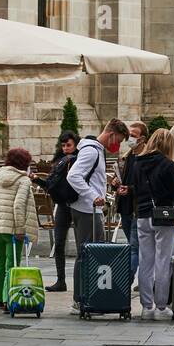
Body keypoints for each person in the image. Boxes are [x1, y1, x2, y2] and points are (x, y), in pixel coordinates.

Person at [66, 118, 130, 314]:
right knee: (88, 254)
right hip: (87, 210)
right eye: (117, 140)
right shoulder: (92, 150)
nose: (117, 145)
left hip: (86, 208)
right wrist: (93, 195)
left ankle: (88, 297)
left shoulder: (94, 150)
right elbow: (73, 176)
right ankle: (81, 299)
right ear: (111, 134)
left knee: (88, 253)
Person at [130, 127, 174, 320]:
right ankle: (161, 306)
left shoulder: (137, 163)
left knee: (146, 260)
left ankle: (146, 306)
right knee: (163, 260)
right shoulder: (168, 165)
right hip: (164, 215)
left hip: (142, 215)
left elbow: (135, 189)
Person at [0, 148, 40, 311]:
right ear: (25, 163)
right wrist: (20, 230)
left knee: (0, 263)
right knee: (12, 265)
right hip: (12, 229)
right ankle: (8, 299)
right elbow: (18, 206)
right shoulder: (24, 181)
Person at [30, 130, 79, 293]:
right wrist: (37, 180)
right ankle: (61, 280)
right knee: (59, 243)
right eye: (63, 145)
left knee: (81, 245)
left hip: (77, 204)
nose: (66, 148)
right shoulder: (61, 162)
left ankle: (81, 281)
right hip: (63, 205)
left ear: (75, 144)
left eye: (69, 145)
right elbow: (52, 186)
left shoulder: (78, 160)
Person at [112, 121, 148, 288]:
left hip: (138, 208)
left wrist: (131, 189)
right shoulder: (127, 156)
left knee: (133, 248)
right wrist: (115, 184)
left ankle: (125, 282)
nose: (129, 138)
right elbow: (123, 179)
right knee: (135, 246)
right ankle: (144, 279)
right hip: (125, 207)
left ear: (142, 138)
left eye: (133, 135)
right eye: (129, 135)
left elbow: (148, 184)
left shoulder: (147, 158)